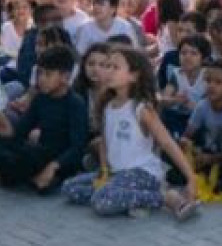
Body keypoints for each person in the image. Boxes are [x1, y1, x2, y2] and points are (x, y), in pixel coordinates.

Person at [60, 45, 199, 219]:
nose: (108, 71)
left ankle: (166, 197)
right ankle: (130, 199)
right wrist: (104, 171)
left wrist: (191, 178)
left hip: (142, 173)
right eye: (107, 66)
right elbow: (104, 141)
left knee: (101, 201)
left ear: (133, 75)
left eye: (115, 67)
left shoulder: (141, 108)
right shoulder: (106, 106)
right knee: (69, 188)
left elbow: (167, 143)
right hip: (116, 173)